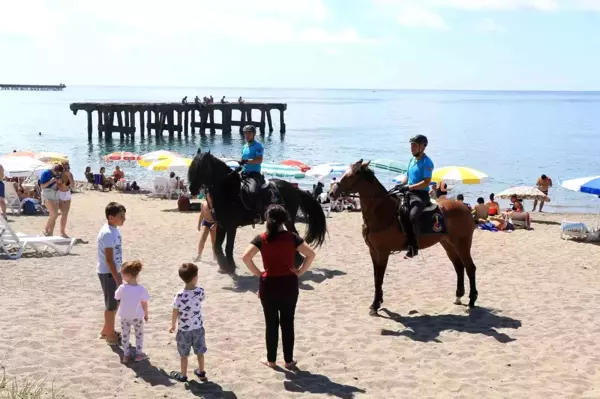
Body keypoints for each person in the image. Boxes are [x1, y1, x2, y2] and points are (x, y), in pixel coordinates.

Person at [241, 205, 316, 369]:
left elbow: (245, 257)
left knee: (271, 323)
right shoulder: (292, 237)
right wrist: (300, 271)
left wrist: (259, 273)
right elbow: (311, 254)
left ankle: (271, 360)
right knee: (288, 323)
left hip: (269, 285)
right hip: (289, 284)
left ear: (267, 219)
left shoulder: (261, 238)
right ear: (284, 219)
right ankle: (288, 361)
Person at [396, 135, 434, 258]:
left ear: (422, 147)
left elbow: (426, 182)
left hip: (421, 194)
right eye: (411, 145)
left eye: (414, 145)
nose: (412, 148)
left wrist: (409, 187)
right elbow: (407, 176)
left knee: (412, 216)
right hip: (409, 191)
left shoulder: (427, 162)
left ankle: (413, 246)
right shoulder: (411, 160)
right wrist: (401, 184)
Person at [169, 263, 207, 382]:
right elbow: (201, 299)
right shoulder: (200, 291)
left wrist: (173, 324)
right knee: (200, 352)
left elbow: (175, 311)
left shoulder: (179, 295)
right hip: (198, 328)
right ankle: (201, 372)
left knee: (183, 355)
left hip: (184, 330)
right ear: (195, 277)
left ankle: (184, 375)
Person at [97, 202, 126, 346]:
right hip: (108, 273)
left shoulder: (115, 230)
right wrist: (117, 277)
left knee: (116, 302)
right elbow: (109, 259)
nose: (124, 218)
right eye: (121, 216)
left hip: (115, 271)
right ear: (111, 217)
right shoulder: (108, 233)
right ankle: (110, 335)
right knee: (111, 306)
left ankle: (106, 330)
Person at [114, 260, 149, 363]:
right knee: (139, 335)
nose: (122, 277)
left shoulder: (122, 287)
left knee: (125, 335)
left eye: (122, 275)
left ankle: (126, 355)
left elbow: (117, 297)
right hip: (137, 316)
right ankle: (138, 354)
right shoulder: (141, 289)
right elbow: (144, 303)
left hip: (125, 316)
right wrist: (146, 314)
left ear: (128, 275)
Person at [240, 125, 265, 221]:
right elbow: (243, 159)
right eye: (245, 133)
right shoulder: (244, 146)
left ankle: (258, 214)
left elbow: (259, 160)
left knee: (252, 191)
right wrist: (241, 163)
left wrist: (246, 161)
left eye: (249, 133)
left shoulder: (258, 146)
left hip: (254, 174)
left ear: (253, 134)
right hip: (244, 172)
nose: (246, 135)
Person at [39, 164, 64, 236]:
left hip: (56, 193)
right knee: (55, 214)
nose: (58, 174)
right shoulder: (46, 173)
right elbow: (42, 187)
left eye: (60, 173)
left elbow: (61, 183)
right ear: (53, 170)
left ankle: (50, 233)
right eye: (57, 173)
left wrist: (60, 181)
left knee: (53, 216)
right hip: (47, 193)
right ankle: (46, 228)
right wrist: (50, 181)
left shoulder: (59, 174)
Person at [194, 192, 217, 262]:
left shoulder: (216, 204)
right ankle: (199, 255)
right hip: (206, 222)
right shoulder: (203, 203)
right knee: (202, 239)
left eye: (210, 195)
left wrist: (216, 224)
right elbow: (201, 215)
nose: (209, 196)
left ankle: (215, 256)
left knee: (214, 242)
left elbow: (220, 216)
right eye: (208, 195)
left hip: (214, 223)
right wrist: (198, 224)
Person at [58, 162, 75, 238]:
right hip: (60, 194)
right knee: (60, 213)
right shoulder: (59, 175)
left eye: (68, 168)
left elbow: (72, 185)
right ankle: (60, 231)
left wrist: (69, 176)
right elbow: (61, 185)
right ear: (62, 169)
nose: (67, 169)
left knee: (65, 214)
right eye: (65, 168)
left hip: (67, 193)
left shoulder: (70, 174)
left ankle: (62, 231)